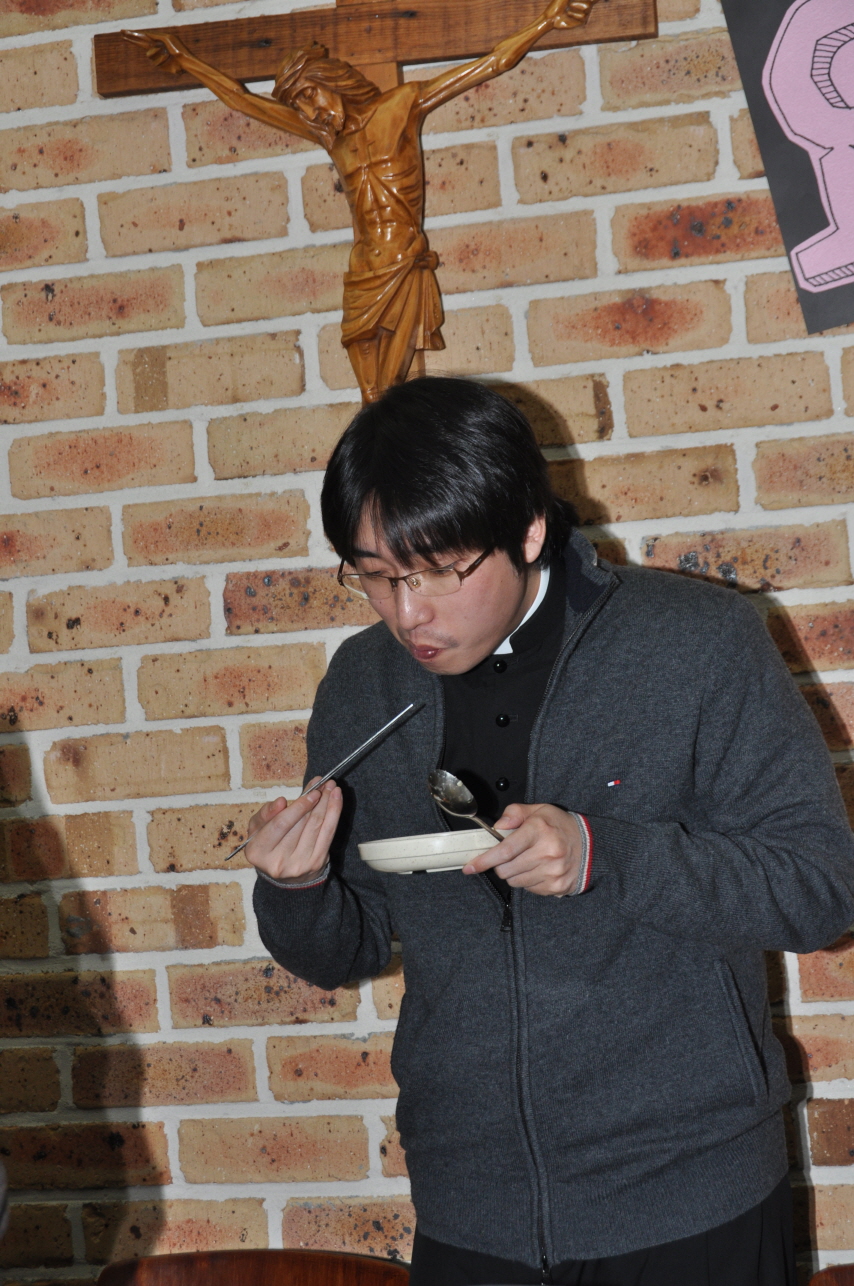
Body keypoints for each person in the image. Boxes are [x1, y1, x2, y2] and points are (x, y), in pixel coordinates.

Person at [246, 376, 854, 1285]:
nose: (407, 612)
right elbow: (344, 948)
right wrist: (296, 887)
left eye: (439, 570)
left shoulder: (694, 644)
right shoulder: (363, 686)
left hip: (691, 1193)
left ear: (528, 531)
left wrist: (607, 855)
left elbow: (822, 888)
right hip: (469, 1203)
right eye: (374, 575)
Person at [124, 0, 596, 402]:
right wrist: (186, 60)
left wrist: (547, 21)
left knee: (385, 397)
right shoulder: (331, 139)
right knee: (370, 396)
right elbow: (242, 100)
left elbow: (490, 64)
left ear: (330, 79)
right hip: (361, 273)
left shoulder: (401, 106)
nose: (309, 110)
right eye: (299, 104)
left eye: (310, 94)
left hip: (401, 262)